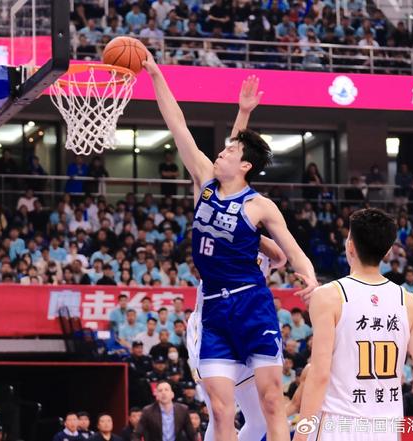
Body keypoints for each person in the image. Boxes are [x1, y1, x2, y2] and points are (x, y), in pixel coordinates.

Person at [144, 56, 317, 441]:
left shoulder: (259, 207)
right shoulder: (205, 181)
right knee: (221, 411)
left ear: (244, 166)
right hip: (213, 308)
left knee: (270, 404)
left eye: (228, 152)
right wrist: (156, 74)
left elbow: (291, 250)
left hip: (251, 304)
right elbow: (178, 124)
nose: (220, 152)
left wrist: (309, 276)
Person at [295, 208, 413, 441]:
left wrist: (301, 435)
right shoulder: (409, 301)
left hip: (337, 425)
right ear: (388, 251)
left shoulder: (328, 296)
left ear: (350, 245)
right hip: (386, 428)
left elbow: (319, 375)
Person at [187, 237, 287, 441]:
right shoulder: (220, 235)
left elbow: (281, 257)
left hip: (247, 327)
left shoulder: (257, 241)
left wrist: (251, 231)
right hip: (213, 326)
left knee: (260, 421)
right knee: (221, 416)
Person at [131, 381, 196, 441]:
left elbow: (192, 435)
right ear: (156, 395)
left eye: (166, 390)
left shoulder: (182, 410)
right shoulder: (148, 411)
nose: (163, 393)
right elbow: (136, 435)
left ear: (172, 394)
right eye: (160, 391)